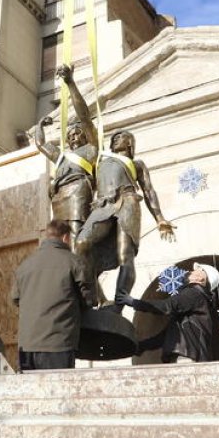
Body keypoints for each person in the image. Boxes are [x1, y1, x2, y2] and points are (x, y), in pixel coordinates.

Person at [75, 130, 175, 308]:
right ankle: (94, 298)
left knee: (125, 256)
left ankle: (119, 305)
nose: (114, 139)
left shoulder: (136, 164)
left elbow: (149, 190)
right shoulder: (101, 158)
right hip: (102, 206)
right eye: (113, 138)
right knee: (82, 243)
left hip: (128, 202)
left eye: (120, 137)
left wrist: (160, 218)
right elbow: (85, 119)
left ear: (130, 143)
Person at [10, 219, 95, 371]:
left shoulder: (25, 265)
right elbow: (89, 300)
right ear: (65, 238)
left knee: (30, 393)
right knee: (57, 392)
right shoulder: (75, 263)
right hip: (58, 345)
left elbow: (15, 299)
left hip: (27, 346)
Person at [30, 64, 98, 245]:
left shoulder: (91, 148)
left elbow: (84, 116)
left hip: (78, 192)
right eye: (70, 135)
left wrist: (70, 83)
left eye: (78, 133)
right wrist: (39, 126)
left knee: (76, 234)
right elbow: (40, 144)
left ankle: (78, 267)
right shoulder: (61, 157)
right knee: (58, 239)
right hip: (59, 197)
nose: (74, 136)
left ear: (85, 135)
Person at [117, 262, 219, 363]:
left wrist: (133, 302)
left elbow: (166, 306)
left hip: (187, 357)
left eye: (194, 271)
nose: (190, 272)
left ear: (201, 278)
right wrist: (141, 346)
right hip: (186, 357)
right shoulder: (193, 305)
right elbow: (164, 337)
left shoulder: (194, 293)